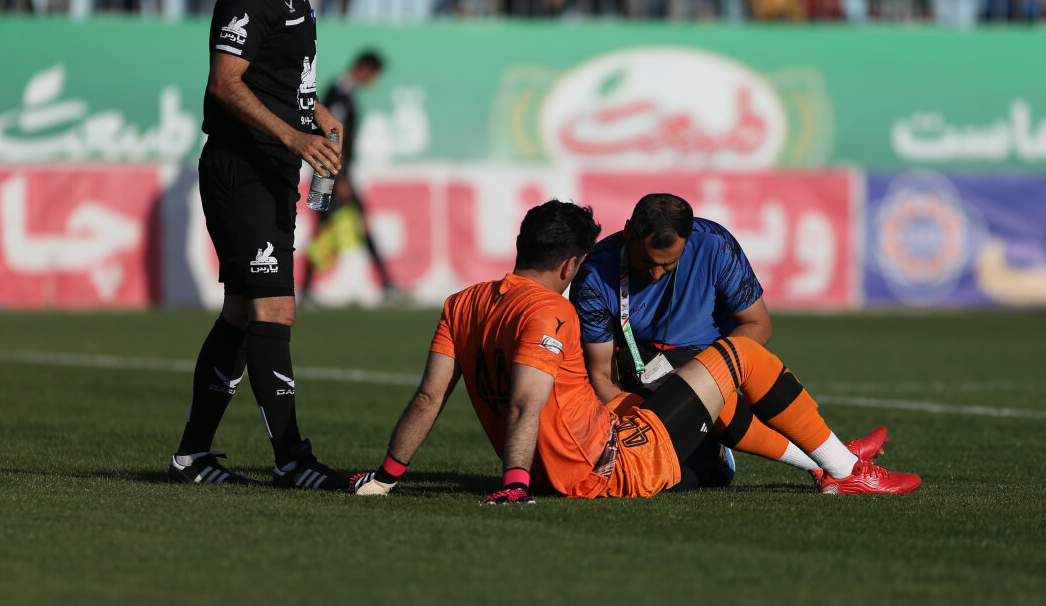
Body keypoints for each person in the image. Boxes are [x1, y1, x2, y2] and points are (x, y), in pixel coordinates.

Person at [352, 200, 920, 502]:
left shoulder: (461, 303)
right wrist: (514, 485)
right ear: (572, 265)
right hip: (610, 466)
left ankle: (826, 462)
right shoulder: (555, 310)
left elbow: (429, 396)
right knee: (741, 358)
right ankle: (847, 471)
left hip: (567, 464)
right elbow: (529, 403)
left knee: (717, 377)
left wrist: (386, 476)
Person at [167, 0, 361, 490]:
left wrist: (317, 116)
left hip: (271, 170)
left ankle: (192, 456)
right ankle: (292, 460)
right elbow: (225, 82)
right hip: (242, 168)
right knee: (274, 309)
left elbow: (283, 82)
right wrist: (295, 137)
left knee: (242, 314)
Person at [570, 193, 888, 489]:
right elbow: (602, 374)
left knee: (675, 459)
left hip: (704, 358)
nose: (655, 274)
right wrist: (638, 425)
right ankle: (832, 459)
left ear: (688, 242)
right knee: (673, 480)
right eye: (646, 261)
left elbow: (758, 325)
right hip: (636, 379)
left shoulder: (716, 244)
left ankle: (833, 465)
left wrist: (701, 376)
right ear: (628, 233)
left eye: (667, 264)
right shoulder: (595, 273)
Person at [300, 50, 403, 301]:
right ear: (364, 68)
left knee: (336, 227)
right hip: (331, 172)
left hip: (330, 170)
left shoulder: (344, 93)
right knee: (331, 228)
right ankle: (307, 291)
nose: (373, 81)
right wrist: (341, 177)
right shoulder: (339, 94)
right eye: (373, 75)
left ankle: (308, 291)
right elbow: (333, 136)